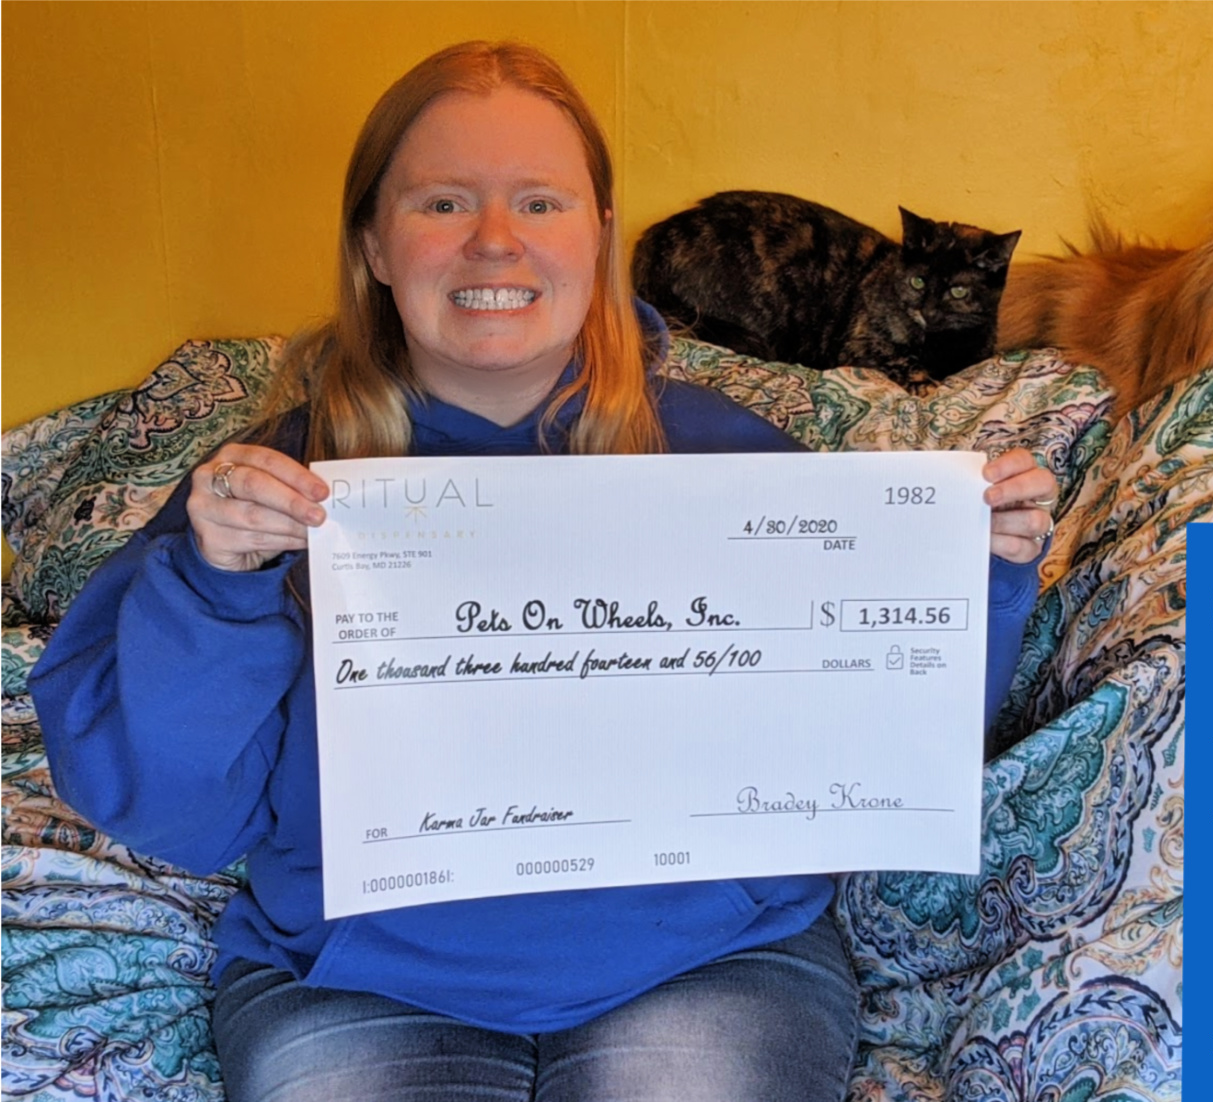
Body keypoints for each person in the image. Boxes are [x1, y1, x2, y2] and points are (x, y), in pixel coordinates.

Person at [29, 41, 1058, 1102]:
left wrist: (970, 570)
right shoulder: (261, 497)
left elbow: (887, 748)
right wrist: (217, 589)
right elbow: (169, 815)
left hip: (708, 958)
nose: (494, 243)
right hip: (355, 982)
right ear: (374, 244)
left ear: (601, 234)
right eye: (440, 203)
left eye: (539, 201)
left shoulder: (735, 465)